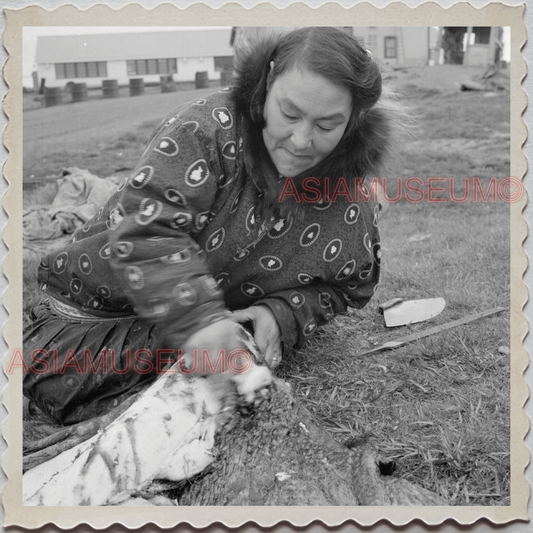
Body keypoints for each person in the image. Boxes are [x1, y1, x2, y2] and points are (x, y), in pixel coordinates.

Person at [23, 27, 396, 425]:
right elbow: (149, 231)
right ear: (268, 83)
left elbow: (347, 286)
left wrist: (282, 313)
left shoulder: (347, 196)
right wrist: (200, 323)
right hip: (84, 325)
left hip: (210, 330)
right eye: (289, 113)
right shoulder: (205, 131)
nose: (301, 141)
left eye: (327, 126)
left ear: (353, 120)